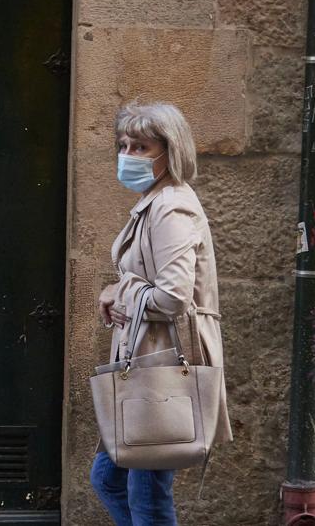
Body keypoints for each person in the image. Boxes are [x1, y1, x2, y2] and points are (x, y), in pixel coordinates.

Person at [91, 101, 232, 525]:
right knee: (111, 478)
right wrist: (121, 288)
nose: (129, 155)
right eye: (125, 145)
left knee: (146, 495)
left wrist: (123, 294)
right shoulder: (155, 201)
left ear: (170, 152)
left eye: (141, 148)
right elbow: (147, 281)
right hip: (148, 361)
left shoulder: (171, 207)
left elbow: (172, 298)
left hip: (161, 365)